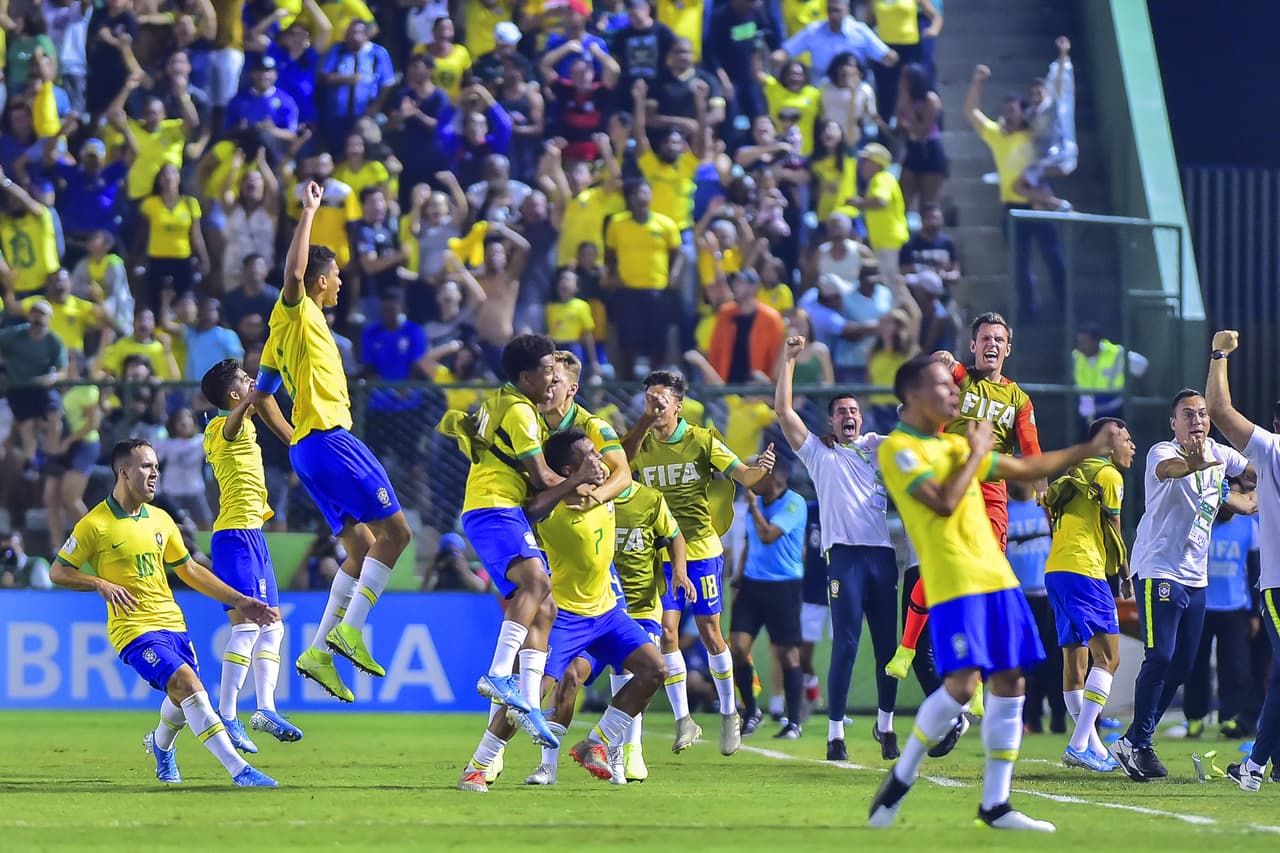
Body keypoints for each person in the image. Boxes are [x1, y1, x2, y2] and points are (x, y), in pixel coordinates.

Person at [868, 355, 1123, 830]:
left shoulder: (956, 447)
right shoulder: (900, 449)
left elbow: (1025, 467)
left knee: (1012, 681)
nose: (953, 393)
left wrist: (1086, 448)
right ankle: (901, 777)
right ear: (914, 396)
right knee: (962, 688)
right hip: (955, 583)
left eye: (952, 385)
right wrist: (975, 451)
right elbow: (943, 503)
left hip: (998, 578)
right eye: (942, 386)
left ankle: (996, 804)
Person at [250, 181, 413, 705]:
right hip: (330, 437)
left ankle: (319, 651)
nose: (341, 284)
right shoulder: (297, 310)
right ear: (322, 281)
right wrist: (309, 212)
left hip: (308, 449)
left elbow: (261, 395)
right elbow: (294, 273)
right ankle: (352, 629)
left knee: (361, 548)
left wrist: (291, 439)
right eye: (337, 276)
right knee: (397, 535)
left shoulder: (283, 334)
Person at [50, 439, 280, 787]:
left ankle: (161, 746)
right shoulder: (94, 524)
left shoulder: (161, 519)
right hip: (134, 630)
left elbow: (189, 570)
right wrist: (99, 583)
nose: (155, 472)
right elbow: (59, 571)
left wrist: (240, 600)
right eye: (146, 466)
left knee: (181, 698)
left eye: (157, 466)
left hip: (172, 623)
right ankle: (240, 771)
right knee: (188, 686)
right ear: (124, 472)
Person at [458, 429, 663, 791]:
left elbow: (624, 464)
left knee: (654, 670)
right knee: (529, 698)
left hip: (608, 612)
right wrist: (574, 484)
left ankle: (595, 742)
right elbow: (530, 510)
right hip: (566, 619)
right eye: (590, 457)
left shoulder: (605, 490)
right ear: (569, 469)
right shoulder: (552, 509)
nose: (600, 461)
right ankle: (478, 765)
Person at [441, 333, 603, 752]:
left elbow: (541, 494)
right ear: (526, 376)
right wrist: (584, 481)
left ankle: (528, 701)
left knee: (545, 607)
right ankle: (498, 672)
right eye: (547, 371)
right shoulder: (519, 412)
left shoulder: (504, 400)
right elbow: (543, 480)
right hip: (494, 506)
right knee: (536, 583)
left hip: (497, 509)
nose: (553, 378)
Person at [886, 313, 1041, 698]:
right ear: (973, 346)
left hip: (992, 494)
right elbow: (939, 366)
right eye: (985, 338)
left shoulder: (1019, 399)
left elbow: (1032, 450)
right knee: (943, 566)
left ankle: (980, 683)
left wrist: (1044, 493)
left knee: (991, 579)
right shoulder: (960, 378)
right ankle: (906, 650)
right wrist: (940, 359)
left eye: (998, 339)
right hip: (954, 482)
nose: (992, 344)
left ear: (1009, 347)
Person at [622, 369, 777, 756]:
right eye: (649, 400)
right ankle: (683, 720)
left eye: (661, 400)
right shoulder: (640, 442)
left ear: (678, 405)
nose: (654, 406)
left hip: (702, 550)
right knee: (667, 632)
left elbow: (745, 475)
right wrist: (641, 422)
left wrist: (761, 469)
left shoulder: (702, 440)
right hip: (660, 551)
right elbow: (620, 463)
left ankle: (729, 713)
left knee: (710, 632)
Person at [1110, 389, 1254, 782]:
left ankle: (1133, 741)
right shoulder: (1162, 453)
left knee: (1184, 664)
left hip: (1195, 575)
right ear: (1173, 422)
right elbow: (1175, 471)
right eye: (1187, 414)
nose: (1197, 420)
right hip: (1159, 569)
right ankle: (1139, 744)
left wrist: (1257, 490)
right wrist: (1203, 462)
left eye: (1203, 414)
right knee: (1160, 656)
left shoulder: (1221, 455)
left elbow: (1254, 473)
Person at [775, 335, 900, 761]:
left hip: (881, 556)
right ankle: (835, 735)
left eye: (854, 411)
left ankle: (885, 727)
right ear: (830, 422)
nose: (850, 415)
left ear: (861, 418)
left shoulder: (878, 447)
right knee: (846, 643)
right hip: (844, 556)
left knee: (889, 646)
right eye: (842, 412)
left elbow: (921, 442)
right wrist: (789, 361)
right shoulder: (818, 453)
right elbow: (783, 411)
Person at [525, 477, 688, 787]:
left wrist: (677, 570)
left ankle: (607, 745)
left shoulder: (622, 502)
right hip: (573, 613)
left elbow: (673, 532)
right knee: (569, 676)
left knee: (645, 670)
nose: (600, 469)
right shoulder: (554, 515)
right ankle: (546, 765)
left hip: (614, 611)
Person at [200, 358, 301, 749]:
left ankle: (264, 708)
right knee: (247, 627)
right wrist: (253, 398)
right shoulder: (220, 426)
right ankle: (227, 715)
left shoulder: (236, 424)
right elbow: (232, 423)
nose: (251, 382)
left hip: (248, 536)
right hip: (236, 536)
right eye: (245, 380)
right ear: (234, 395)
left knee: (272, 626)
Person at [1203, 330, 1280, 790]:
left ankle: (1258, 766)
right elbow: (1218, 411)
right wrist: (1218, 356)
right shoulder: (1272, 449)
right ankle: (1254, 767)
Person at [1042, 417, 1136, 772]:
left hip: (1057, 571)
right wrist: (1124, 575)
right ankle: (1080, 743)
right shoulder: (1110, 476)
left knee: (1074, 664)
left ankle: (1093, 746)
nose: (1132, 446)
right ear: (1110, 443)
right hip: (1086, 570)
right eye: (1126, 439)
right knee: (1109, 658)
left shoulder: (1071, 472)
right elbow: (1114, 528)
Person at [964, 63, 1064, 322]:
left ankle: (1065, 306)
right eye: (1004, 111)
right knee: (1020, 266)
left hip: (1038, 205)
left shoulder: (1034, 134)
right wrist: (977, 81)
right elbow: (971, 112)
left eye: (1012, 111)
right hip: (1013, 208)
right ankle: (1029, 312)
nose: (1007, 115)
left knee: (1054, 258)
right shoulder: (998, 135)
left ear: (1022, 112)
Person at [730, 460, 808, 740]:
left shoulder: (794, 504)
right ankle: (751, 710)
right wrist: (738, 577)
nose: (752, 480)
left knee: (787, 655)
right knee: (737, 648)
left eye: (759, 477)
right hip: (752, 585)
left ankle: (794, 721)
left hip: (783, 587)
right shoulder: (759, 502)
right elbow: (751, 542)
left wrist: (751, 504)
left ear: (776, 480)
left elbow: (766, 535)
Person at [1179, 480, 1259, 740]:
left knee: (1236, 667)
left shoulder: (1249, 526)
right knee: (1194, 665)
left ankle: (1232, 718)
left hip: (1235, 607)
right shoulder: (1201, 522)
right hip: (1200, 605)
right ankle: (1194, 718)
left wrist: (1254, 612)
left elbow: (1255, 571)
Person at [1005, 480, 1064, 736]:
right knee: (1028, 661)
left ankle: (1059, 718)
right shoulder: (1003, 511)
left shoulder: (1045, 508)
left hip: (1049, 594)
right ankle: (1031, 719)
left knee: (1056, 660)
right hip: (1018, 598)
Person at [1072, 321, 1150, 434]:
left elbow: (1142, 365)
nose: (1081, 347)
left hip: (1112, 410)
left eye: (1085, 342)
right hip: (1087, 411)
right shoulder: (1076, 356)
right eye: (1079, 342)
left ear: (1096, 341)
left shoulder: (1116, 353)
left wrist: (1131, 386)